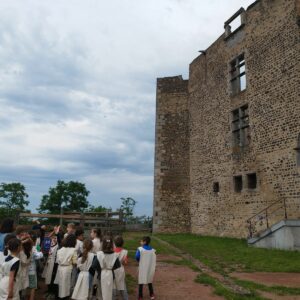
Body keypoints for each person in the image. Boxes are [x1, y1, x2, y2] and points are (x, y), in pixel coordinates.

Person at [91, 236, 121, 300]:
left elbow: (94, 265)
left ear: (103, 244)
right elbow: (117, 265)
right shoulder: (115, 254)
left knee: (101, 291)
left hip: (101, 273)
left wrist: (100, 269)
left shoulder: (99, 254)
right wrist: (110, 268)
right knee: (109, 290)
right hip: (110, 273)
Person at [54, 234, 77, 299]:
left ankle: (58, 297)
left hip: (60, 268)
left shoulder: (60, 250)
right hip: (68, 268)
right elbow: (75, 262)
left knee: (60, 284)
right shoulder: (73, 250)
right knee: (66, 286)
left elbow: (57, 261)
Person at [28, 231, 43, 300]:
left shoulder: (22, 247)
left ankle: (23, 296)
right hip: (31, 270)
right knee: (33, 286)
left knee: (23, 285)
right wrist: (40, 250)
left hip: (23, 270)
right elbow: (39, 256)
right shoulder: (35, 247)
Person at [113, 236, 128, 300]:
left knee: (113, 285)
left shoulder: (111, 251)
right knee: (122, 285)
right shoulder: (125, 251)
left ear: (114, 243)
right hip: (120, 269)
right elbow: (125, 263)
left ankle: (114, 297)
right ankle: (125, 298)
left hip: (113, 270)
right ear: (123, 243)